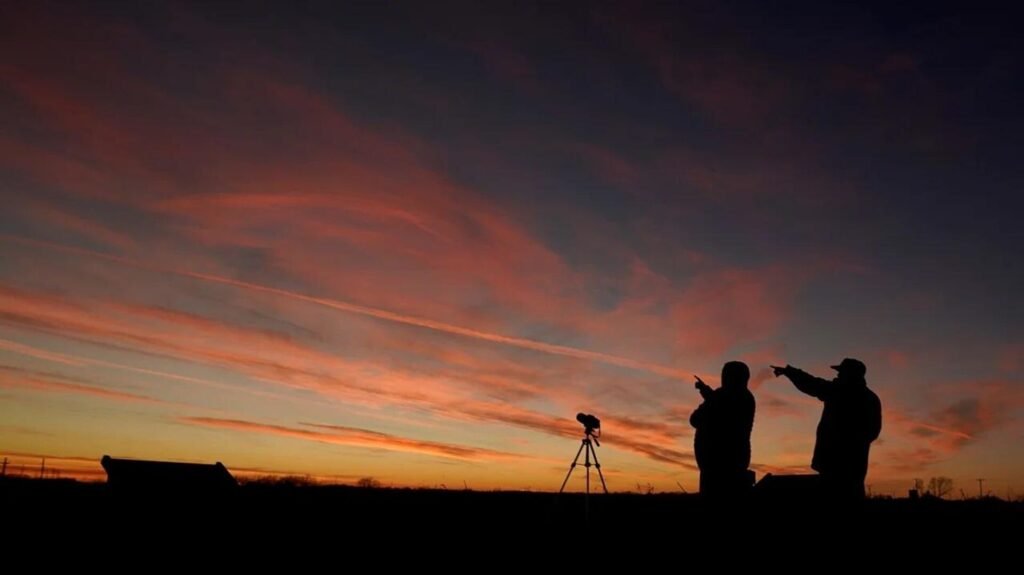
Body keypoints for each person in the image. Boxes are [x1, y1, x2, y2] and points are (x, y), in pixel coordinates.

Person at [772, 358, 882, 500]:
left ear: (850, 374)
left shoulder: (839, 392)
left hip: (835, 462)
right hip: (853, 464)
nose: (837, 376)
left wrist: (790, 372)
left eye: (841, 373)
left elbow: (813, 384)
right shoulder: (870, 398)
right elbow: (873, 431)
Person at [689, 361, 756, 497]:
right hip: (716, 463)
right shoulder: (736, 396)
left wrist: (708, 395)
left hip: (722, 464)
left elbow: (699, 419)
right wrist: (708, 395)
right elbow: (697, 418)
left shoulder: (737, 397)